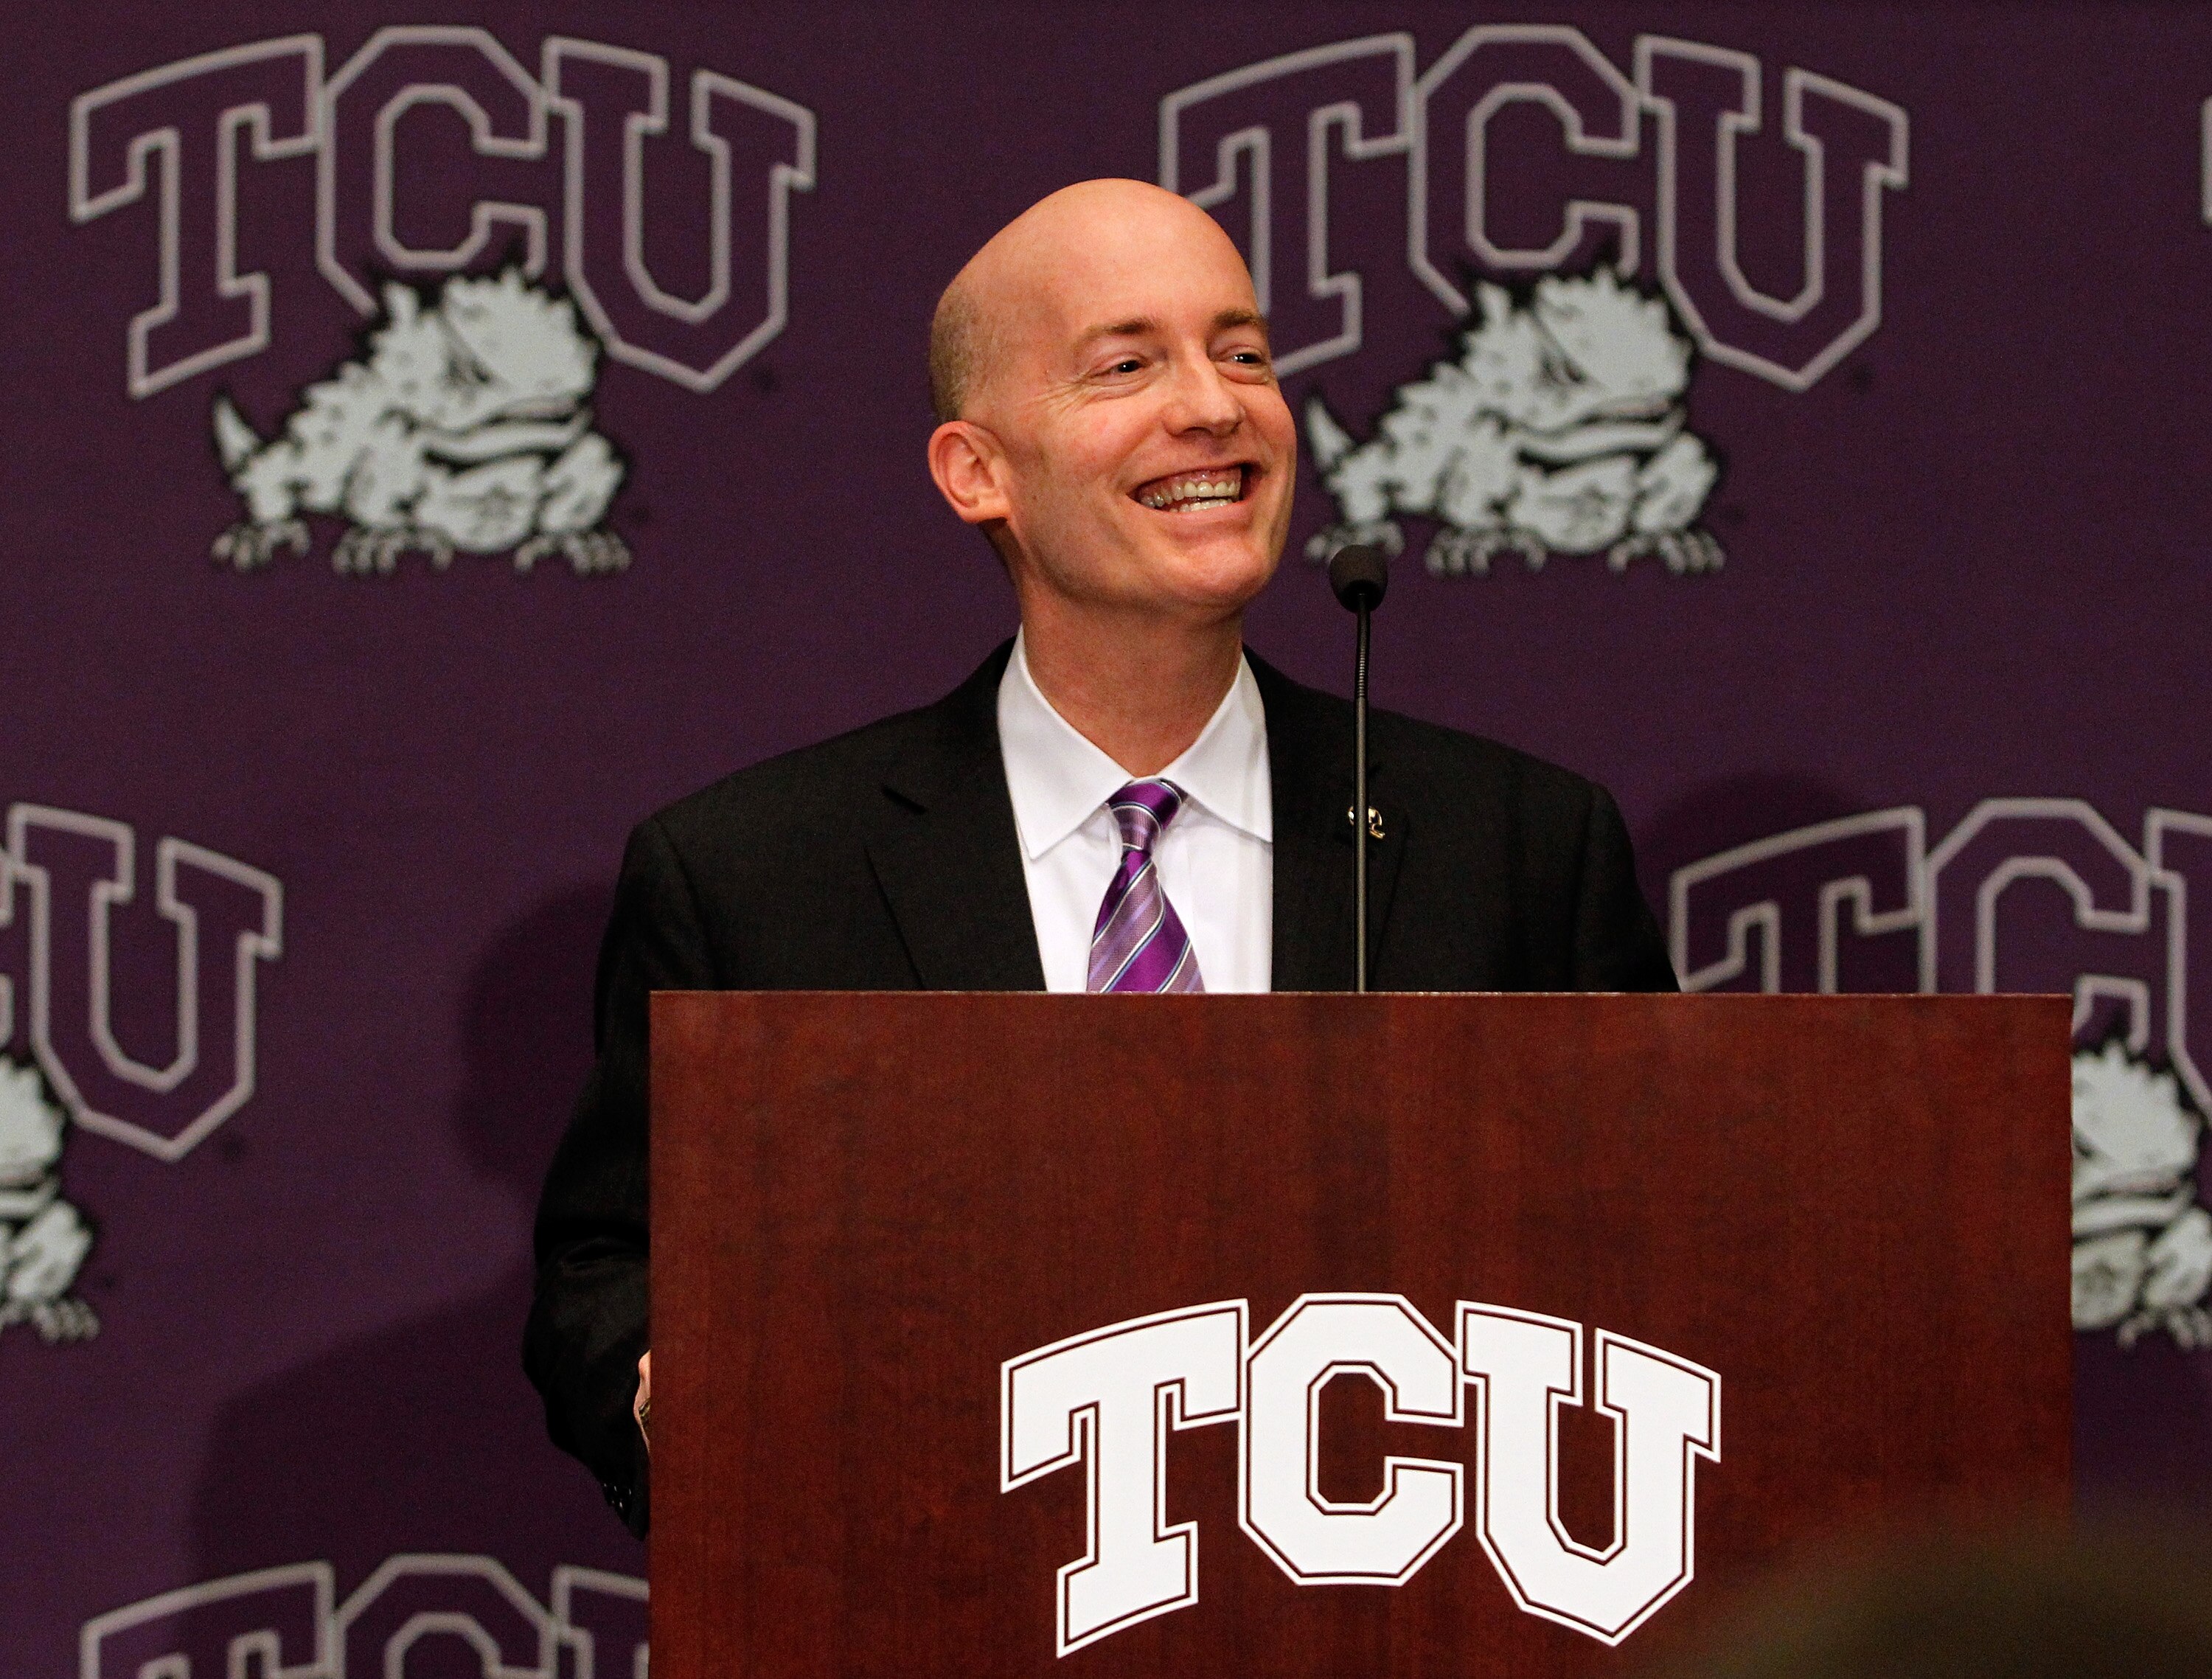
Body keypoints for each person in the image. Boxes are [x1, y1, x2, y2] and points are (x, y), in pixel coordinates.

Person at [524, 179, 1676, 1535]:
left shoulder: (1518, 846)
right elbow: (613, 1268)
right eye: (1128, 365)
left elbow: (1654, 1252)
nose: (1213, 405)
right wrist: (697, 1400)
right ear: (977, 471)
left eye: (1243, 351)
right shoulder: (754, 873)